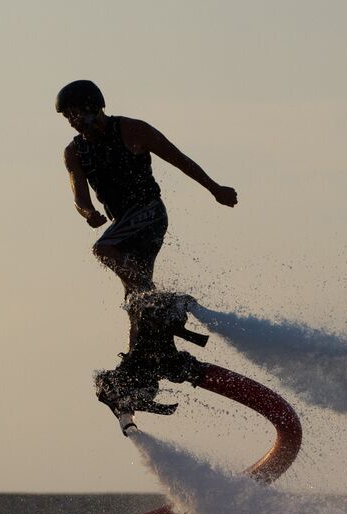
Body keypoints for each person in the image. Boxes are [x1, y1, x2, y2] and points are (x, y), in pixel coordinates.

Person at [56, 80, 237, 431]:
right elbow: (78, 192)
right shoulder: (75, 152)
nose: (74, 121)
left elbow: (178, 158)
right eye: (68, 117)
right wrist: (87, 212)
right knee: (136, 305)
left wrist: (215, 189)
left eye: (78, 113)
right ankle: (141, 381)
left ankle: (160, 304)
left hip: (149, 213)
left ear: (96, 106)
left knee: (103, 250)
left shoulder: (132, 130)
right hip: (124, 225)